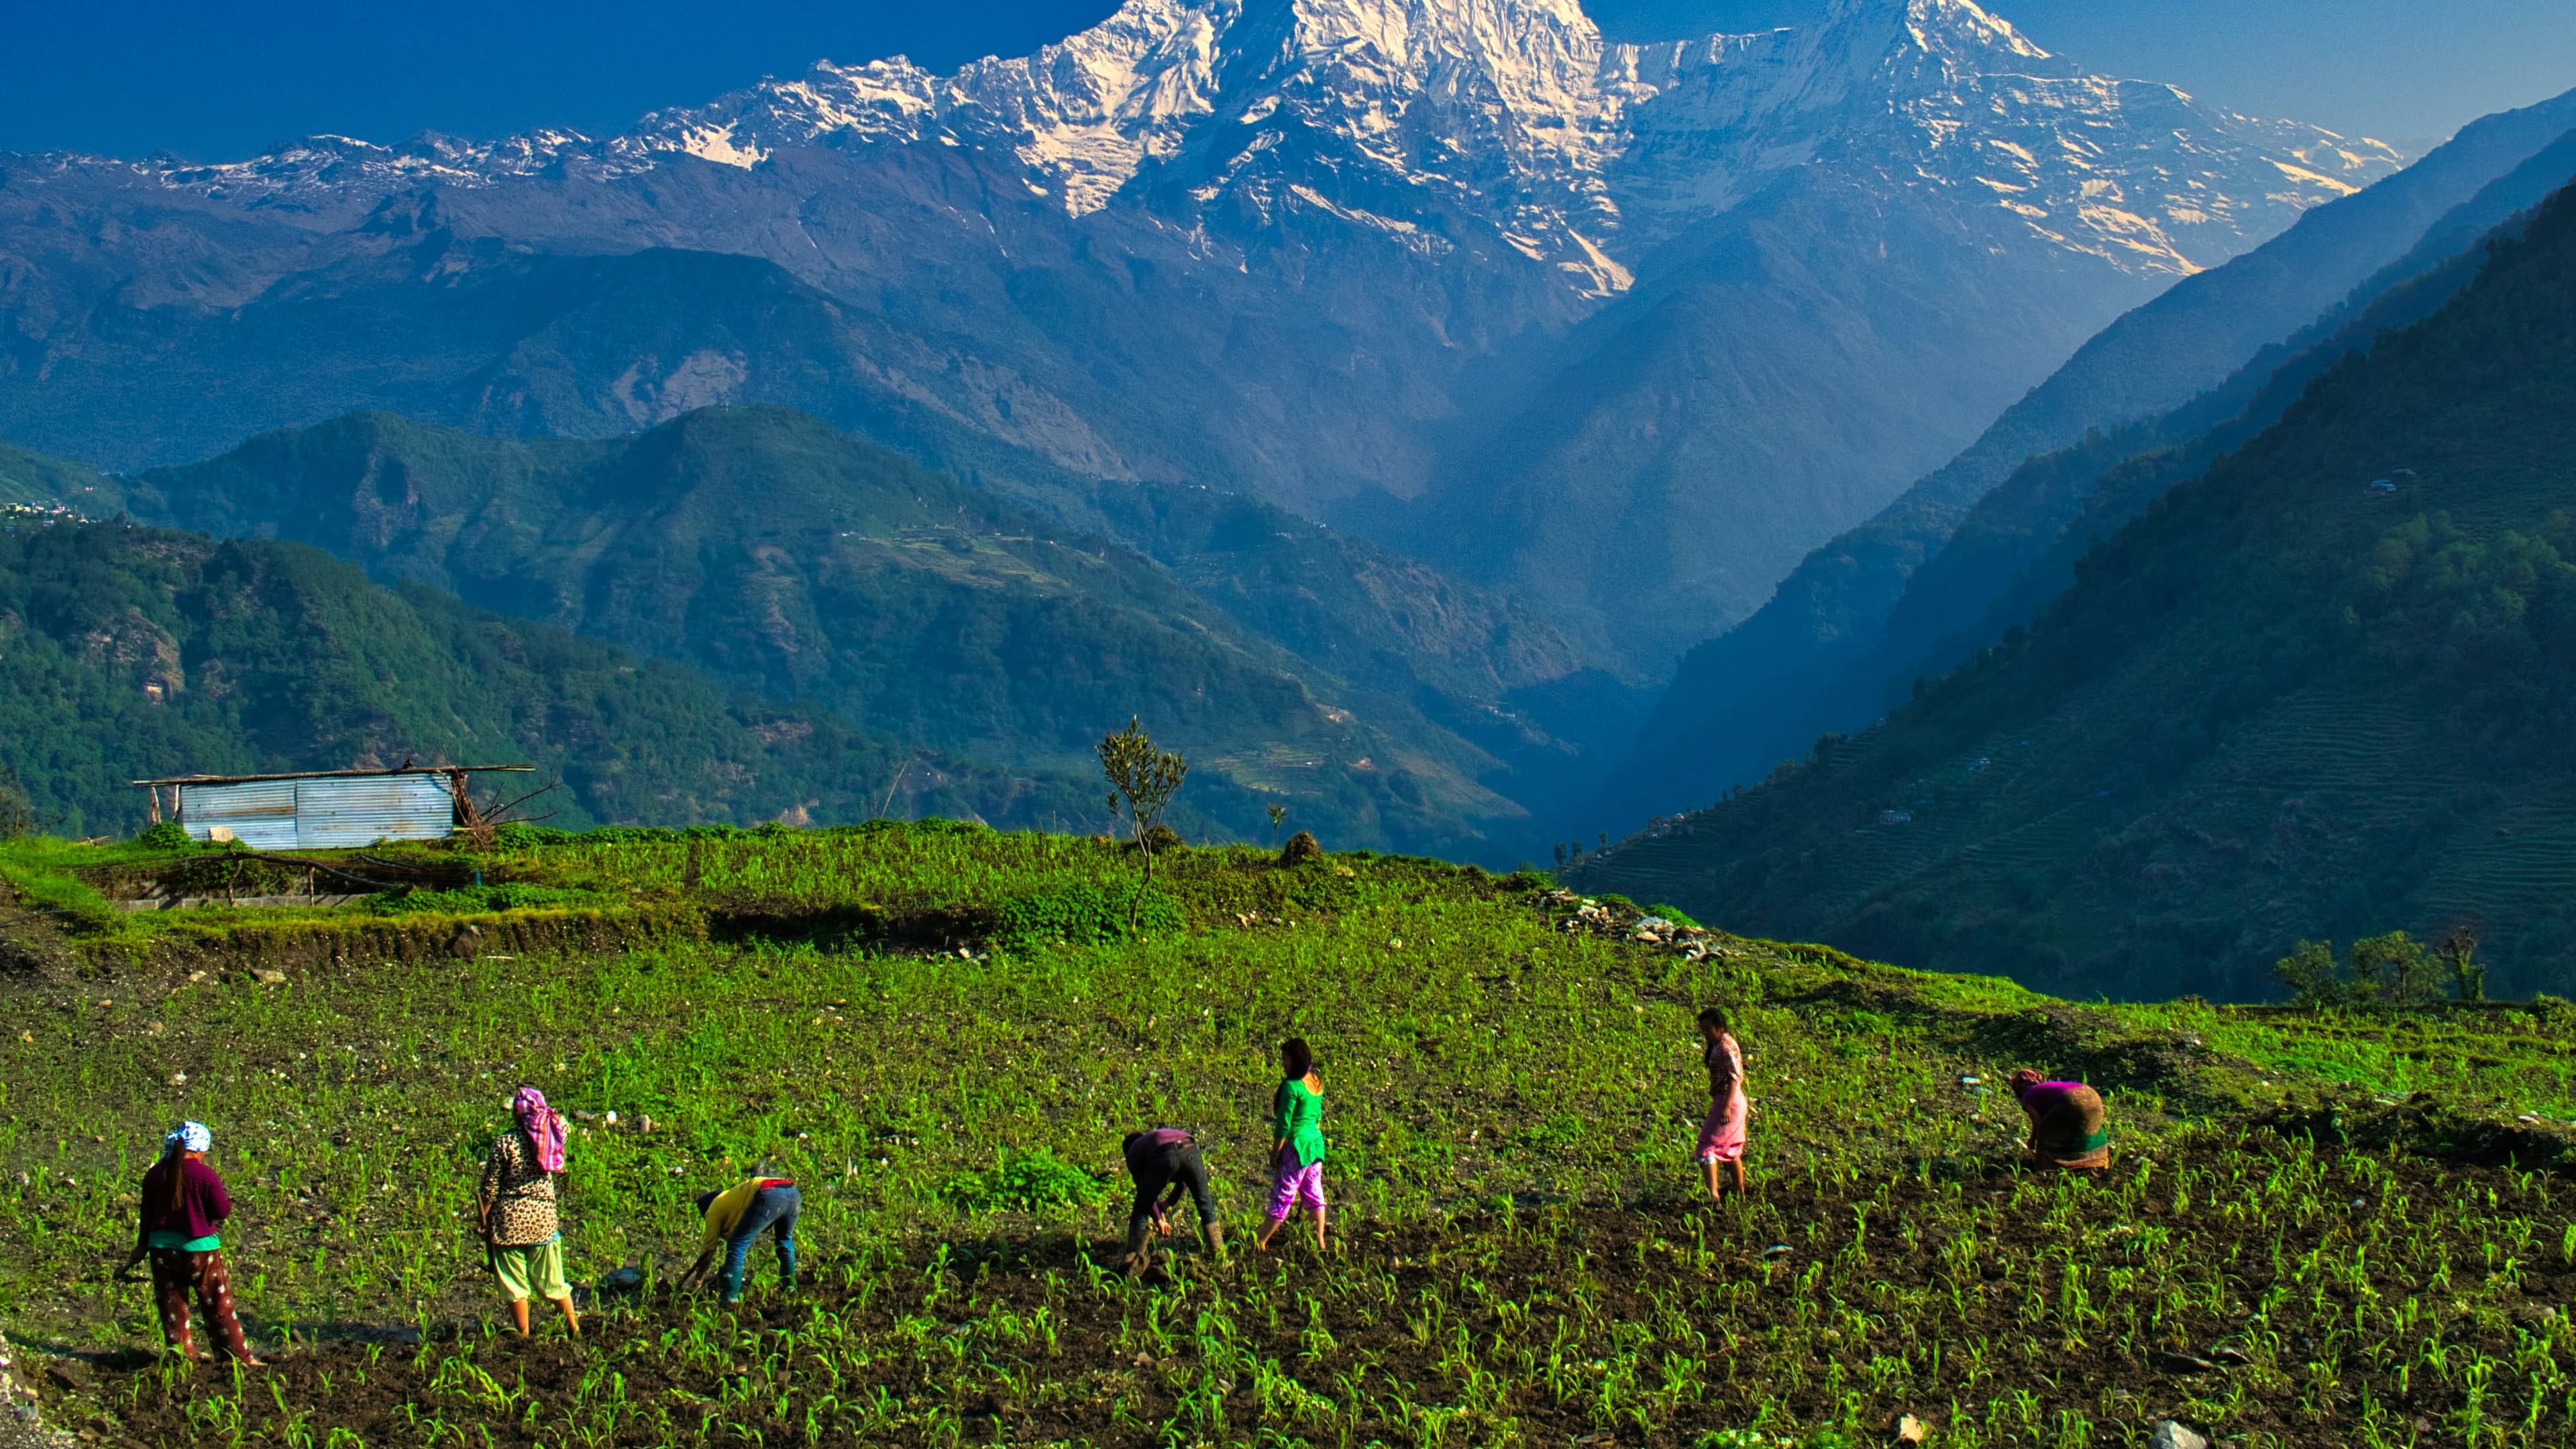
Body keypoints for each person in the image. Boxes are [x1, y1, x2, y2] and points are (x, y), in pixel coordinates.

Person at [115, 1122, 262, 1366]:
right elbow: (222, 1210)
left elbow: (147, 1214)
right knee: (218, 1305)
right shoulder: (204, 1175)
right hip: (200, 1251)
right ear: (200, 1150)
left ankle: (181, 1360)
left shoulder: (155, 1175)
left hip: (162, 1252)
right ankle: (236, 1358)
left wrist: (142, 1246)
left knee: (174, 1308)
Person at [476, 1087, 581, 1337]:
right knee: (553, 1280)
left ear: (517, 1116)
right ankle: (574, 1328)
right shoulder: (554, 1134)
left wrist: (483, 1219)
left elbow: (490, 1188)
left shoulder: (507, 1142)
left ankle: (523, 1334)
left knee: (514, 1283)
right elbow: (563, 1123)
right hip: (544, 1219)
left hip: (509, 1223)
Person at [1254, 1038, 1327, 1253]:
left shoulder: (1291, 1087)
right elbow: (1318, 1117)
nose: (1283, 1064)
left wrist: (1275, 1152)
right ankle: (1320, 1239)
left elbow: (1284, 1124)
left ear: (1296, 1060)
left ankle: (1261, 1240)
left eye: (1286, 1059)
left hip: (1297, 1145)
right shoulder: (1317, 1082)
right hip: (1315, 1145)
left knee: (1284, 1193)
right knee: (1314, 1192)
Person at [682, 1171, 800, 1303]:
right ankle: (789, 1287)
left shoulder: (713, 1209)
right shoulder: (733, 1198)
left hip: (769, 1193)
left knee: (736, 1244)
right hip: (792, 1192)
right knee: (784, 1240)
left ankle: (730, 1297)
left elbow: (709, 1248)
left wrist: (699, 1278)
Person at [1120, 1127, 1224, 1275]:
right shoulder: (1152, 1140)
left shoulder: (1133, 1152)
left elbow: (1144, 1196)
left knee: (1140, 1210)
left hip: (1166, 1153)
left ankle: (1132, 1264)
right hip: (1191, 1148)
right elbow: (1183, 1181)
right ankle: (1221, 1257)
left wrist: (1159, 1220)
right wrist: (1168, 1203)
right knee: (1205, 1205)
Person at [1695, 1006, 1750, 1199]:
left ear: (1719, 1027)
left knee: (1706, 1146)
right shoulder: (1724, 1042)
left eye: (1709, 1030)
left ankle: (1714, 1196)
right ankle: (1739, 1191)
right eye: (1703, 1031)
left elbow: (1733, 1076)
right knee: (1731, 1147)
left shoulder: (1724, 1046)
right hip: (1735, 1100)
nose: (1706, 1034)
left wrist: (1726, 1107)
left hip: (1728, 1100)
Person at [2009, 1069, 2112, 1170]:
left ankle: (2052, 1165)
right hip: (2092, 1096)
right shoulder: (2046, 1089)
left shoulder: (2028, 1096)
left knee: (2047, 1132)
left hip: (2070, 1100)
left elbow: (2038, 1123)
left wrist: (2032, 1142)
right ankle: (2096, 1160)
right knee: (2086, 1128)